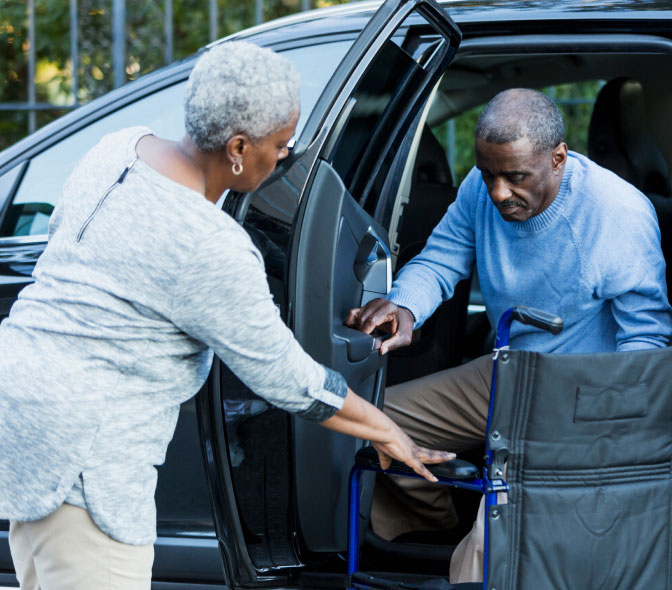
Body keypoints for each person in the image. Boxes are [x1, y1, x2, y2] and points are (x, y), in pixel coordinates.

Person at [0, 41, 452, 590]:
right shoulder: (208, 244)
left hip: (20, 417)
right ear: (238, 146)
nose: (284, 159)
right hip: (86, 461)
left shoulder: (114, 149)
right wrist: (385, 429)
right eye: (281, 146)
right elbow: (288, 380)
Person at [345, 88, 672, 582]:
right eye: (489, 174)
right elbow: (441, 258)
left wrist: (605, 436)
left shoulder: (616, 215)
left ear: (558, 158)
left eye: (516, 177)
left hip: (581, 394)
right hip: (510, 368)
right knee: (372, 420)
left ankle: (473, 552)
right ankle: (430, 531)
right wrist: (405, 305)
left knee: (493, 547)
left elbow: (646, 340)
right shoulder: (482, 190)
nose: (498, 192)